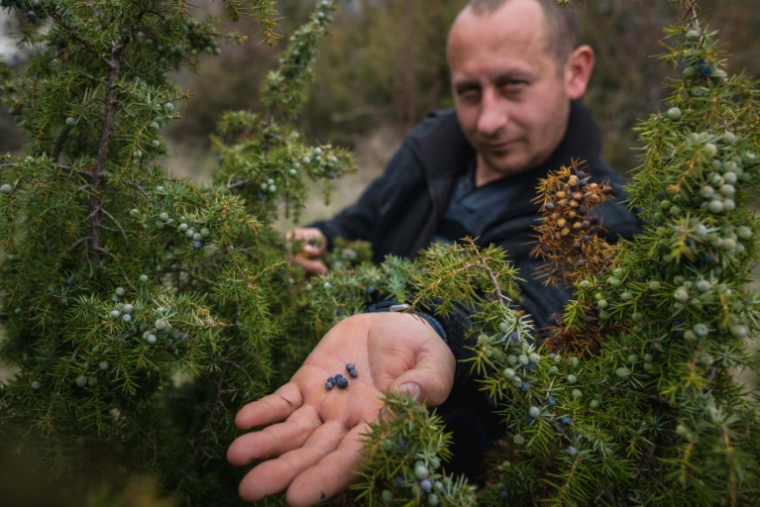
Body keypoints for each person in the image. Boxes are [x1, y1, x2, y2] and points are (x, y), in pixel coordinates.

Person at [227, 0, 642, 505]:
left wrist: (430, 326)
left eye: (513, 85)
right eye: (469, 91)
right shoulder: (433, 144)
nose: (488, 120)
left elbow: (531, 308)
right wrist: (317, 239)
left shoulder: (600, 216)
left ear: (574, 73)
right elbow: (362, 224)